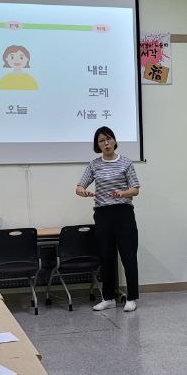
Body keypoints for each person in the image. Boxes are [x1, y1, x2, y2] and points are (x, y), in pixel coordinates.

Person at [76, 126, 141, 313]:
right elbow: (79, 187)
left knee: (128, 256)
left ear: (114, 141)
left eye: (108, 139)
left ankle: (131, 297)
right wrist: (83, 191)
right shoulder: (94, 164)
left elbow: (135, 189)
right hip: (103, 214)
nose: (106, 143)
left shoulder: (126, 163)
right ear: (97, 144)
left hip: (123, 213)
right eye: (101, 140)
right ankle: (108, 298)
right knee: (106, 257)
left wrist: (122, 193)